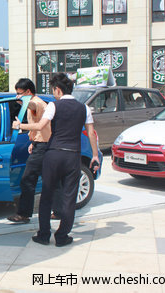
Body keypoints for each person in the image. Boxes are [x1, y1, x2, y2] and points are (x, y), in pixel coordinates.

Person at [13, 73, 100, 247]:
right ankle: (62, 237)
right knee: (68, 197)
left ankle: (44, 235)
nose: (53, 94)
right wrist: (95, 156)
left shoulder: (53, 105)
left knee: (47, 195)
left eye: (54, 91)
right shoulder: (84, 108)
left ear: (58, 89)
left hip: (53, 155)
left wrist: (19, 125)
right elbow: (91, 133)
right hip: (72, 156)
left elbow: (39, 126)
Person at [7, 78, 51, 224]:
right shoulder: (33, 103)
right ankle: (58, 210)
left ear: (28, 92)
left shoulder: (36, 103)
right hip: (40, 144)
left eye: (20, 94)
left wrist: (20, 126)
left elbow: (37, 121)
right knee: (50, 180)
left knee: (27, 180)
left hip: (43, 146)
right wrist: (33, 141)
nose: (17, 97)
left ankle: (24, 214)